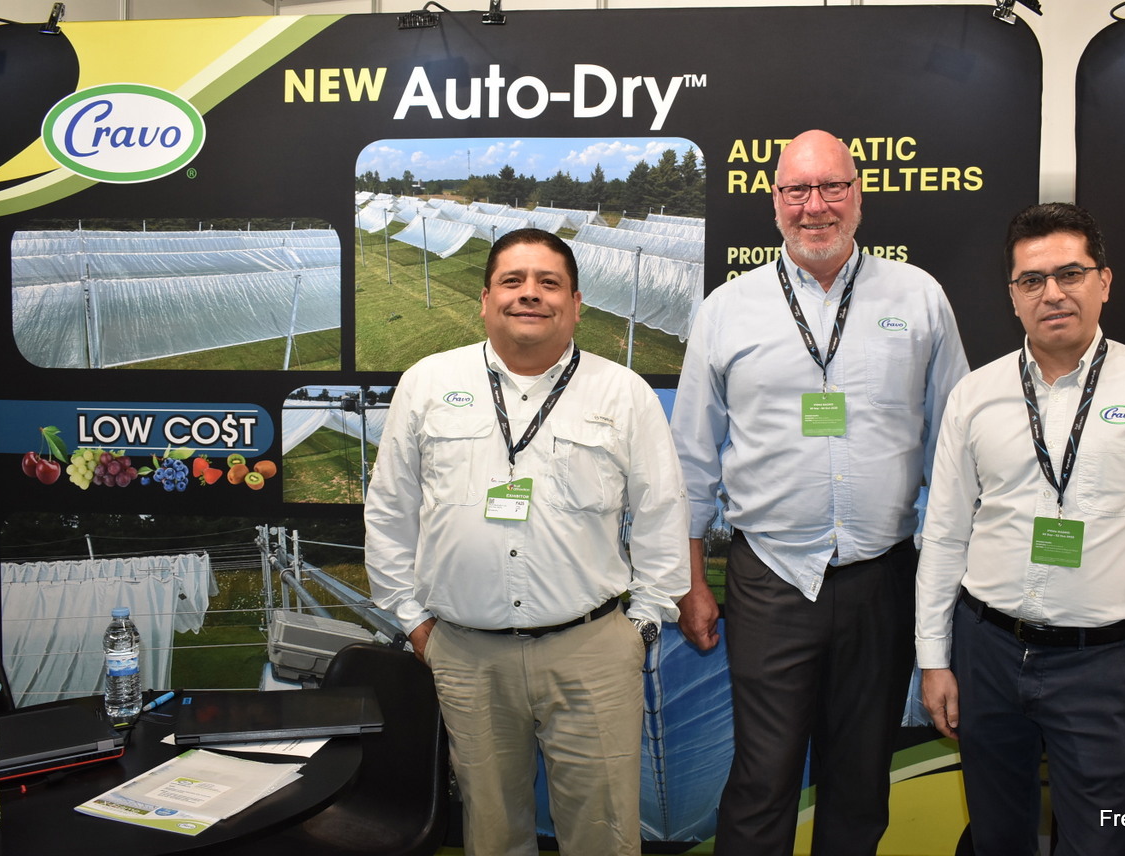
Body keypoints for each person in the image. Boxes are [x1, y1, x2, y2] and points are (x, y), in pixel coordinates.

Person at [673, 129, 969, 855]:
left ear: (858, 196)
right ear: (774, 200)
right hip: (770, 578)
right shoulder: (726, 309)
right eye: (797, 190)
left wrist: (947, 586)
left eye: (832, 186)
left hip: (882, 578)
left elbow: (956, 451)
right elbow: (691, 459)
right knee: (763, 778)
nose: (815, 206)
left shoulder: (920, 297)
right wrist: (691, 581)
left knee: (861, 781)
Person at [364, 228, 690, 856]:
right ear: (485, 300)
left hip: (591, 653)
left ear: (576, 303)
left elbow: (661, 511)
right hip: (466, 654)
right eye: (512, 281)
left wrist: (643, 624)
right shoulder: (427, 383)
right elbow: (390, 507)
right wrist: (412, 619)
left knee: (603, 834)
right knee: (491, 833)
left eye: (549, 283)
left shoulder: (623, 393)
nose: (530, 294)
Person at [915, 202, 1125, 856]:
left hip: (1097, 664)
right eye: (1032, 280)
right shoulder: (976, 394)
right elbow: (943, 534)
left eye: (1070, 274)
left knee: (1101, 843)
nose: (1051, 293)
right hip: (986, 652)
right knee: (998, 838)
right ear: (1013, 296)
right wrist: (935, 659)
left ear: (1104, 282)